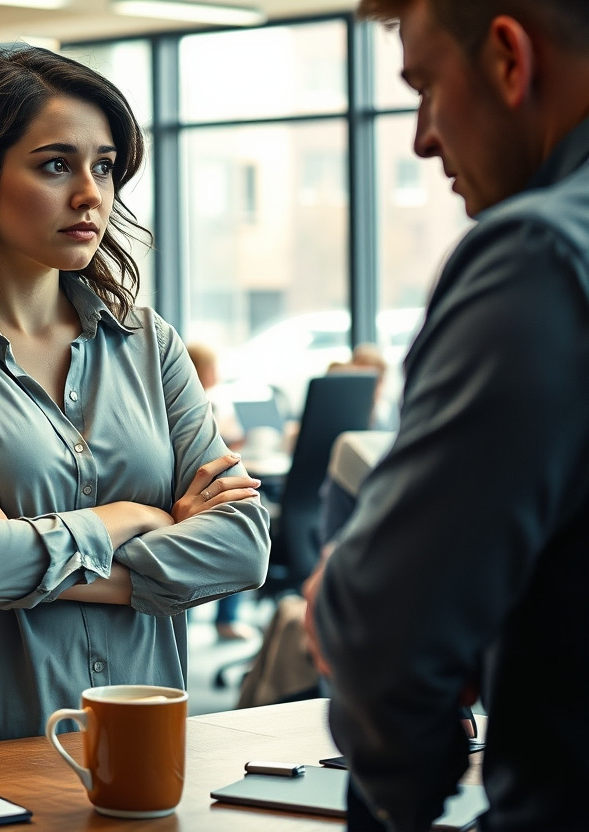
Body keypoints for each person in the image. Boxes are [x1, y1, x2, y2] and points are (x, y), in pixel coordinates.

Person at [0, 46, 270, 754]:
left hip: (136, 739)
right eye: (55, 165)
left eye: (103, 166)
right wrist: (139, 515)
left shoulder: (148, 343)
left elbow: (242, 548)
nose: (90, 195)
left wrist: (17, 542)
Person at [305, 1, 589, 829]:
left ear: (508, 57)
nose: (423, 139)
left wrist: (405, 809)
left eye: (426, 87)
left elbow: (378, 640)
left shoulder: (542, 257)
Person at [186, 342, 254, 641]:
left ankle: (222, 619)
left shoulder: (208, 405)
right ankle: (226, 619)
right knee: (236, 526)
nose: (218, 374)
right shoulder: (195, 408)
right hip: (199, 493)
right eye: (212, 367)